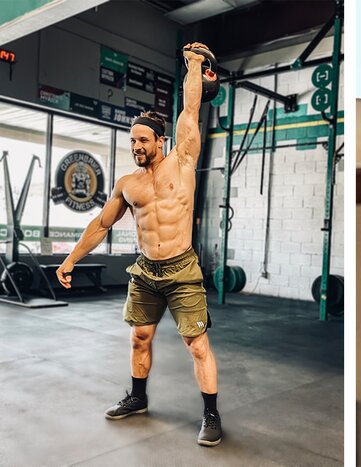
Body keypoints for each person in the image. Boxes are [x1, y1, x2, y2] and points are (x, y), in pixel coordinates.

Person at [56, 42, 222, 447]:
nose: (136, 147)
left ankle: (211, 414)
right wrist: (70, 260)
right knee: (139, 338)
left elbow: (190, 110)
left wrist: (194, 65)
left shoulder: (182, 160)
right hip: (146, 272)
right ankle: (137, 397)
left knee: (196, 344)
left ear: (161, 141)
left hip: (181, 268)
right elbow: (100, 224)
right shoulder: (127, 184)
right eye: (132, 141)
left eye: (143, 140)